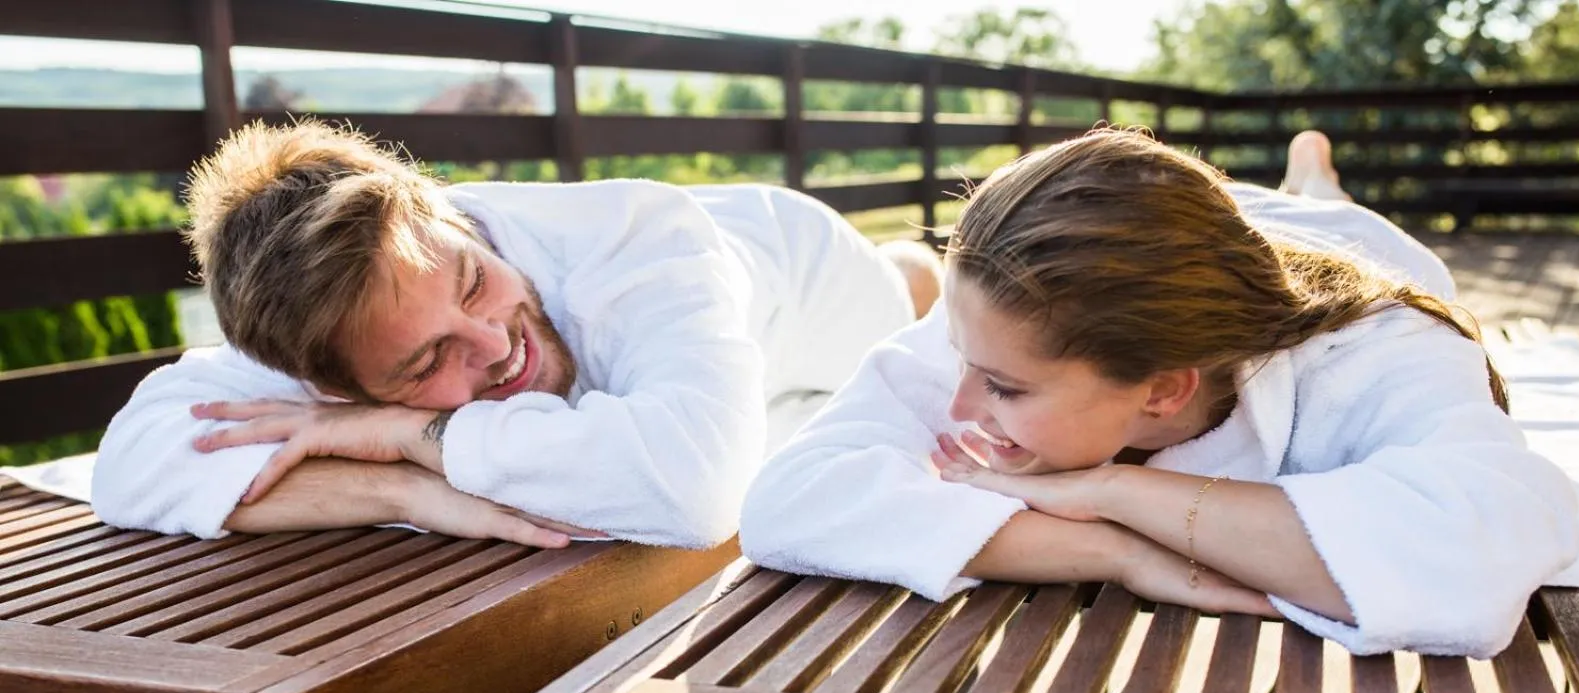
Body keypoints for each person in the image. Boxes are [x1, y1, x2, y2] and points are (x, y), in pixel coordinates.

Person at [739, 128, 1579, 657]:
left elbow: (1482, 539)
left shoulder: (1384, 349)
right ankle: (1297, 183)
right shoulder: (1004, 312)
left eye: (1000, 387)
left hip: (1354, 250)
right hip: (1214, 234)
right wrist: (1117, 551)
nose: (960, 404)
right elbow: (787, 500)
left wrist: (1112, 489)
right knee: (1257, 213)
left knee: (1329, 209)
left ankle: (1315, 181)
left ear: (1164, 392)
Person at [89, 119, 940, 550]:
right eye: (428, 361)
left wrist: (406, 431)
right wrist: (402, 491)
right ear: (329, 387)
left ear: (450, 211)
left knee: (915, 294)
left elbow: (691, 492)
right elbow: (131, 464)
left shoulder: (646, 234)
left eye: (475, 281)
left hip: (798, 263)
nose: (493, 345)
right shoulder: (317, 323)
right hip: (731, 332)